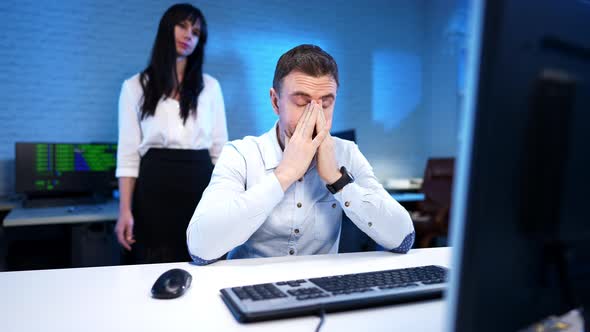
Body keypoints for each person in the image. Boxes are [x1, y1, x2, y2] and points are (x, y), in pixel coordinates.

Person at [187, 44, 413, 265]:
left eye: (325, 103)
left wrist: (338, 180)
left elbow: (403, 238)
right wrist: (284, 175)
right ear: (276, 102)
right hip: (247, 290)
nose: (315, 116)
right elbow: (200, 248)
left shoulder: (347, 152)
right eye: (302, 102)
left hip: (321, 293)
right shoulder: (241, 154)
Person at [115, 3, 228, 264]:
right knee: (152, 264)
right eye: (183, 26)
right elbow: (128, 155)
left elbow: (220, 152)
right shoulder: (134, 86)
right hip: (155, 186)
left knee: (204, 263)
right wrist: (124, 211)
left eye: (196, 32)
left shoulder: (211, 87)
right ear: (167, 29)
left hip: (200, 185)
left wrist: (224, 204)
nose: (189, 35)